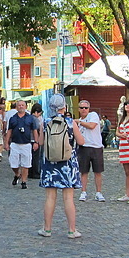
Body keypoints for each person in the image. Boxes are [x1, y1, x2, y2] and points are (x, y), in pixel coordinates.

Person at [37, 94, 85, 239]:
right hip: (68, 164)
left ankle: (47, 229)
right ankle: (71, 230)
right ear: (64, 107)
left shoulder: (45, 122)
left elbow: (40, 142)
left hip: (50, 163)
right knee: (68, 198)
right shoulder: (71, 122)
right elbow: (81, 142)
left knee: (50, 197)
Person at [4, 100, 39, 189]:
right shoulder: (13, 118)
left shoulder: (30, 118)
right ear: (16, 107)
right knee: (13, 164)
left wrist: (36, 142)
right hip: (15, 143)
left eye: (23, 105)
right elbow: (9, 131)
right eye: (19, 105)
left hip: (26, 144)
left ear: (26, 107)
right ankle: (17, 174)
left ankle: (24, 181)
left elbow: (34, 131)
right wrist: (6, 142)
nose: (21, 107)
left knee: (26, 164)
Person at [75, 100, 106, 202]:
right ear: (79, 109)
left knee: (98, 171)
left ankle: (98, 192)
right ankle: (83, 192)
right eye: (82, 108)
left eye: (86, 108)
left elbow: (92, 126)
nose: (84, 109)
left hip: (96, 147)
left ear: (89, 109)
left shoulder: (93, 116)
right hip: (84, 147)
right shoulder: (78, 122)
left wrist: (79, 122)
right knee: (84, 171)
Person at [28, 103, 44, 179]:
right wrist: (37, 141)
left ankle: (30, 172)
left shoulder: (28, 118)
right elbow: (38, 130)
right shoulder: (35, 119)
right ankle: (35, 172)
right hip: (34, 139)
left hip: (28, 140)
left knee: (30, 157)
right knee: (35, 157)